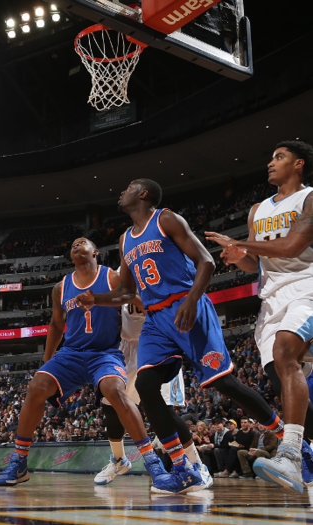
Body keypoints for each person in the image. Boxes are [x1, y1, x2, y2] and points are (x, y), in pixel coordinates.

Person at [77, 179, 287, 491]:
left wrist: (190, 301)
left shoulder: (166, 219)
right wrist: (96, 299)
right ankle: (183, 467)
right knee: (146, 387)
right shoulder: (124, 240)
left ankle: (288, 438)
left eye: (130, 186)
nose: (122, 190)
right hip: (155, 320)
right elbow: (124, 291)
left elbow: (207, 261)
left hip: (186, 305)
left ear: (144, 194)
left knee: (222, 383)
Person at [0, 238, 177, 493]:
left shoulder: (111, 277)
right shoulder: (61, 287)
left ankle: (153, 465)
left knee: (114, 391)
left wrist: (133, 299)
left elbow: (133, 296)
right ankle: (19, 462)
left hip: (105, 353)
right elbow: (57, 324)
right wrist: (48, 361)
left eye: (83, 242)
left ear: (96, 253)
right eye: (72, 244)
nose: (77, 244)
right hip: (70, 353)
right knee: (36, 385)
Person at [205, 141, 313, 493]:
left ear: (298, 164)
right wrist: (239, 257)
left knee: (284, 353)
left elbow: (291, 248)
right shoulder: (257, 210)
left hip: (306, 286)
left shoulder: (309, 199)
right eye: (270, 156)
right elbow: (255, 263)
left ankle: (292, 456)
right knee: (278, 376)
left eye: (279, 157)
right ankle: (305, 455)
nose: (270, 162)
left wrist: (243, 245)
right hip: (271, 298)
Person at [95, 297, 212, 487]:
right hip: (127, 346)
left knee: (164, 411)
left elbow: (153, 306)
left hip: (158, 343)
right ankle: (119, 459)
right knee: (111, 405)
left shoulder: (157, 274)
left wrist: (127, 295)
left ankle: (198, 465)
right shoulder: (119, 276)